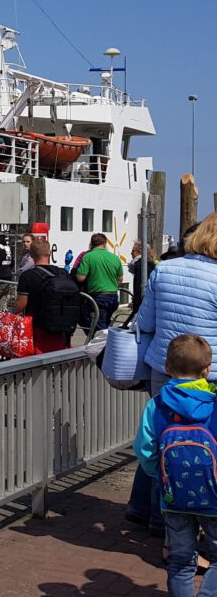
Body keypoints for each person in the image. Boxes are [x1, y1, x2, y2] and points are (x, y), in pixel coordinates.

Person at [126, 213, 217, 536]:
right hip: (209, 376)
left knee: (162, 439)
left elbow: (145, 322)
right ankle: (197, 518)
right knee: (204, 445)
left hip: (165, 370)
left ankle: (150, 513)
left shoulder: (164, 269)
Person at [133, 333, 217, 595]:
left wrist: (158, 475)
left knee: (180, 559)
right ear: (207, 370)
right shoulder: (214, 405)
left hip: (172, 495)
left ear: (167, 367)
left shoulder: (156, 404)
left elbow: (144, 448)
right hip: (213, 495)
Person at [13, 239, 80, 354]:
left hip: (39, 328)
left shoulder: (27, 276)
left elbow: (21, 304)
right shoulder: (62, 273)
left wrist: (9, 311)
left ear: (32, 255)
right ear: (49, 253)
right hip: (62, 328)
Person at [75, 233, 124, 334]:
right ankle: (107, 344)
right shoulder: (114, 257)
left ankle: (102, 348)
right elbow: (120, 280)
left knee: (99, 327)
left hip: (98, 297)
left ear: (91, 243)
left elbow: (80, 278)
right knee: (106, 323)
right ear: (105, 243)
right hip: (113, 296)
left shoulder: (88, 257)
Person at [127, 240, 158, 314]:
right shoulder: (149, 264)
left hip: (143, 305)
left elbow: (140, 288)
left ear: (140, 251)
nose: (131, 253)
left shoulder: (142, 266)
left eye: (133, 251)